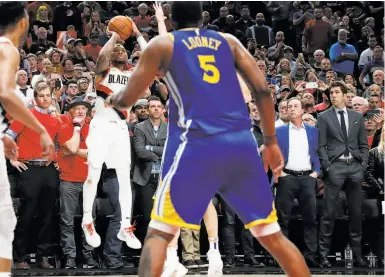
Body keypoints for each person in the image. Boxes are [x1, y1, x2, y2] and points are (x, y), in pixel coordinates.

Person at [106, 2, 311, 277]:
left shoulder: (163, 45)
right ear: (202, 17)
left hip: (198, 145)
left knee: (158, 235)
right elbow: (262, 90)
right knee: (273, 236)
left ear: (172, 19)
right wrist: (272, 142)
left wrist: (111, 98)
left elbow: (128, 98)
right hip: (241, 144)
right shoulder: (228, 41)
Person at [81, 18, 147, 250]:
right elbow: (100, 58)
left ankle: (125, 226)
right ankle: (87, 219)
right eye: (116, 49)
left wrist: (137, 33)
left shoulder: (132, 76)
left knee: (124, 180)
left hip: (120, 129)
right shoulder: (103, 71)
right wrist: (114, 37)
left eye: (122, 49)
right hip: (101, 124)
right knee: (93, 174)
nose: (120, 51)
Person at [0, 2, 54, 275]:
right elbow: (6, 94)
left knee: (7, 215)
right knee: (6, 215)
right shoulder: (8, 48)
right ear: (23, 23)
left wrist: (3, 136)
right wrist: (41, 129)